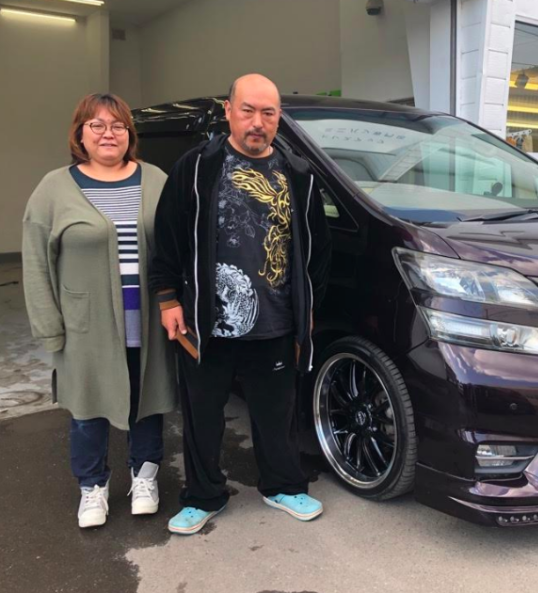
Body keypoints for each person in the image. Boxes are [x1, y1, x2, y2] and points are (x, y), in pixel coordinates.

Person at [150, 73, 332, 535]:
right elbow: (167, 237)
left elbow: (318, 249)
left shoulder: (299, 174)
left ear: (278, 118)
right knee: (202, 415)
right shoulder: (196, 167)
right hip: (205, 321)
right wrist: (168, 299)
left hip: (275, 321)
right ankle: (202, 496)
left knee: (276, 413)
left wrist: (308, 304)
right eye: (248, 110)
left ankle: (283, 486)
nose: (257, 122)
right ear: (228, 111)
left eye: (268, 113)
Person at [22, 93, 176, 528]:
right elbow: (36, 260)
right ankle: (92, 486)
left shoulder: (156, 179)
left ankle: (145, 477)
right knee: (87, 409)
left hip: (147, 320)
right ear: (80, 133)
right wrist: (49, 326)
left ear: (129, 134)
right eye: (98, 125)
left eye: (118, 126)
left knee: (147, 401)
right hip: (85, 326)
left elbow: (178, 245)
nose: (109, 133)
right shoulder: (55, 188)